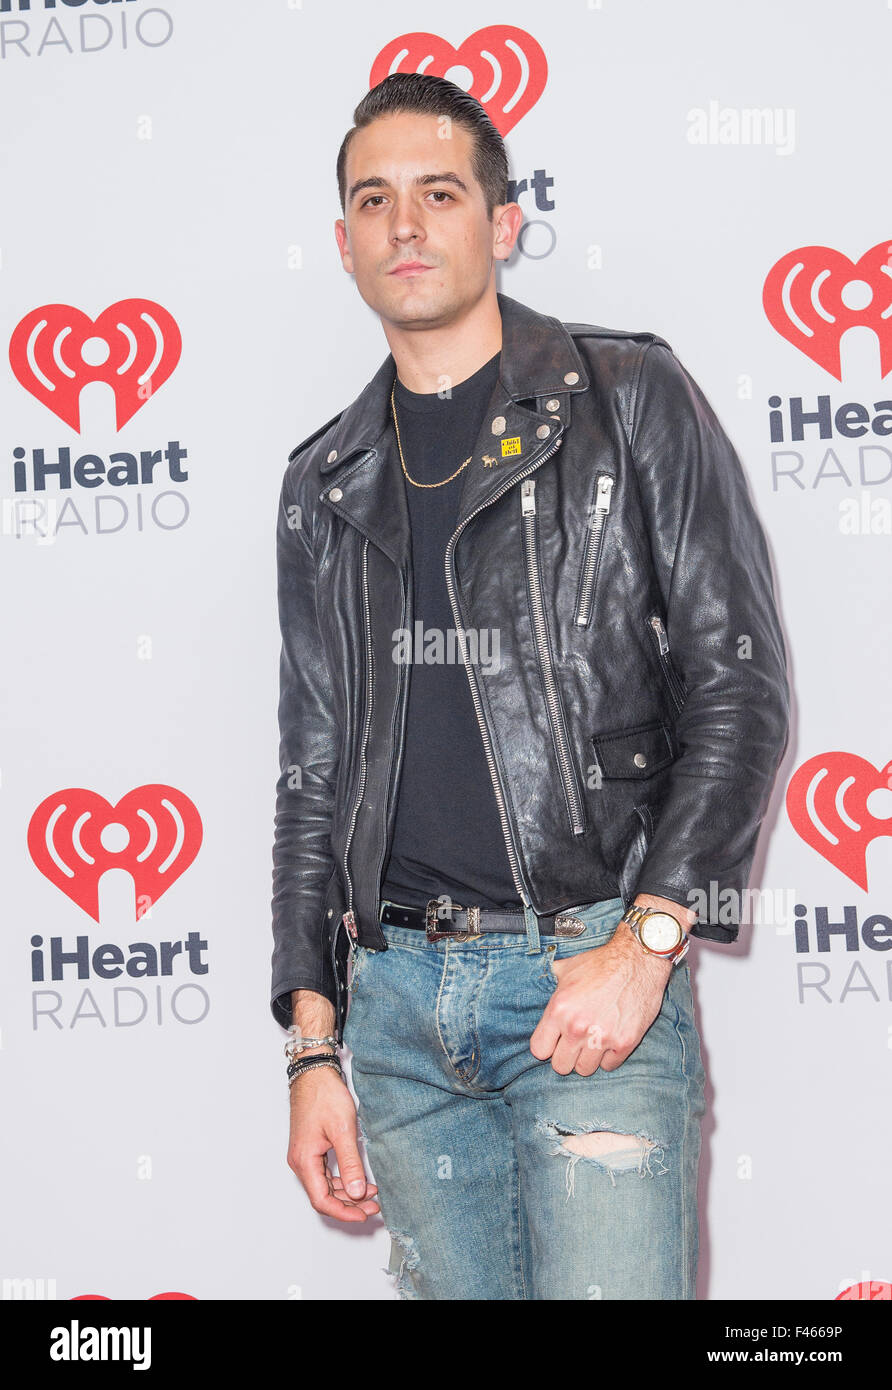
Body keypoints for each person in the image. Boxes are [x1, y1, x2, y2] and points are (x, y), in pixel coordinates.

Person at [270, 72, 790, 1300]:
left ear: (501, 223)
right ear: (341, 243)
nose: (404, 224)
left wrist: (648, 938)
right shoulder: (323, 481)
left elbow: (739, 689)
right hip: (393, 1017)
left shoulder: (627, 398)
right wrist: (309, 1046)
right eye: (373, 200)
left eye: (438, 192)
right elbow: (311, 765)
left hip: (582, 981)